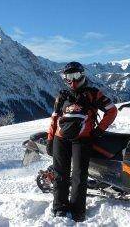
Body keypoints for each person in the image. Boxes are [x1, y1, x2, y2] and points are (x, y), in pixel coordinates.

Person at [46, 61, 118, 222]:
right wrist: (50, 139)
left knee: (79, 176)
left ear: (83, 75)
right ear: (64, 78)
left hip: (82, 140)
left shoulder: (94, 93)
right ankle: (59, 209)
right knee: (60, 175)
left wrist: (99, 130)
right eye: (68, 76)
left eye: (76, 75)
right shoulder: (62, 96)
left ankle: (78, 212)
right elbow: (54, 118)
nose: (73, 80)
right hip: (60, 139)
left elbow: (112, 110)